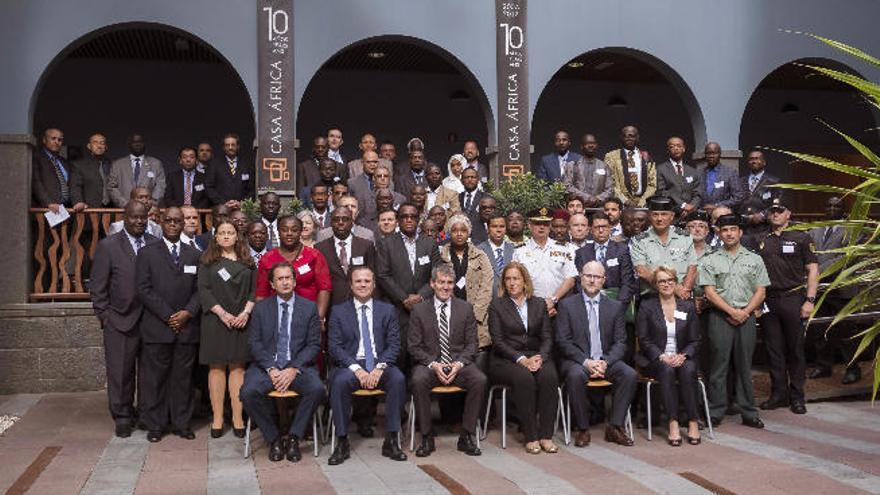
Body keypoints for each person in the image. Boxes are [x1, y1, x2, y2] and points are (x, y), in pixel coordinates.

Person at [241, 262, 325, 462]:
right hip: (267, 368)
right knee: (248, 392)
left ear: (295, 281)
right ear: (272, 283)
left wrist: (294, 368)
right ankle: (274, 439)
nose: (285, 282)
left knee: (317, 389)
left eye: (289, 278)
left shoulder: (309, 307)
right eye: (280, 279)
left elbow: (314, 345)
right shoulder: (261, 309)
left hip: (298, 367)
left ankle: (295, 437)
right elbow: (254, 343)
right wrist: (271, 368)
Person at [327, 266, 408, 465]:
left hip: (381, 363)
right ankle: (342, 440)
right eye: (358, 281)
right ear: (351, 285)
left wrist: (380, 367)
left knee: (398, 379)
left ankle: (391, 439)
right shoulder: (338, 311)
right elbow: (335, 347)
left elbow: (394, 344)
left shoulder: (387, 310)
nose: (362, 284)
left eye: (367, 281)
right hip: (351, 365)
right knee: (338, 383)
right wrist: (357, 369)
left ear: (373, 284)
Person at [90, 201, 156, 437]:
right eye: (134, 217)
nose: (139, 221)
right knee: (120, 372)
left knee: (149, 372)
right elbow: (98, 286)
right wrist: (104, 316)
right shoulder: (108, 246)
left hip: (150, 320)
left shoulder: (154, 243)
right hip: (119, 320)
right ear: (124, 217)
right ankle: (123, 415)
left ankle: (147, 414)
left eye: (143, 217)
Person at [135, 207, 201, 442]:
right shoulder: (147, 253)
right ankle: (156, 424)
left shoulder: (194, 254)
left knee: (183, 379)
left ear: (184, 223)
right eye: (169, 220)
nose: (173, 224)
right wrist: (168, 315)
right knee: (155, 378)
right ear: (161, 222)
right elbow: (143, 289)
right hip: (158, 326)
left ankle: (181, 423)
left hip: (186, 327)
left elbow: (200, 290)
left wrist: (186, 313)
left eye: (177, 221)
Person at [699, 214, 770, 428]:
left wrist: (745, 312)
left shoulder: (754, 258)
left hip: (746, 317)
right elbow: (709, 293)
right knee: (718, 367)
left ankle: (748, 412)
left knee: (744, 366)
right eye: (724, 230)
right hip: (720, 317)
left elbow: (761, 291)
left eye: (733, 229)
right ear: (719, 233)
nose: (729, 233)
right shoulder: (710, 259)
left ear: (740, 232)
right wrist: (731, 311)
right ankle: (716, 410)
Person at [407, 264, 486, 457]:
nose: (445, 287)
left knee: (479, 379)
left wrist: (459, 364)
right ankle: (427, 437)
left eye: (449, 283)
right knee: (418, 380)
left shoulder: (465, 308)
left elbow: (472, 345)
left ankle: (466, 436)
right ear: (432, 284)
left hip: (458, 364)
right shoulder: (419, 310)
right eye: (441, 282)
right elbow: (414, 347)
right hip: (430, 365)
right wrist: (434, 364)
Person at [556, 261, 637, 447]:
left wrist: (605, 362)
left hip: (605, 360)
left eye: (597, 277)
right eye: (588, 276)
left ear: (604, 280)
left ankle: (615, 427)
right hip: (578, 361)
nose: (592, 280)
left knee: (629, 374)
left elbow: (620, 342)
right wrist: (586, 362)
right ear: (581, 278)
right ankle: (583, 429)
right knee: (575, 375)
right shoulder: (567, 305)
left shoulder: (615, 307)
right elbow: (563, 342)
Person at [488, 262, 560, 453]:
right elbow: (498, 341)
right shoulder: (497, 305)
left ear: (524, 281)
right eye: (508, 279)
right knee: (524, 378)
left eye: (516, 278)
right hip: (507, 359)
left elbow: (547, 337)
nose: (512, 283)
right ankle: (531, 436)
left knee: (549, 376)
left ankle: (546, 436)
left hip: (537, 355)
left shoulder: (538, 304)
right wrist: (522, 359)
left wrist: (541, 357)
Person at [755, 198, 818, 414]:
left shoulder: (801, 237)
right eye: (772, 211)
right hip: (769, 299)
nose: (775, 215)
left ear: (788, 214)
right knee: (773, 350)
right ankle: (778, 394)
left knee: (795, 349)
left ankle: (797, 396)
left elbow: (812, 270)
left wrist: (810, 300)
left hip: (794, 298)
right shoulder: (761, 238)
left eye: (779, 211)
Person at [198, 220, 256, 438]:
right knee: (216, 368)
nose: (225, 236)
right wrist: (222, 313)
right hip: (215, 320)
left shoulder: (248, 261)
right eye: (221, 233)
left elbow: (253, 291)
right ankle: (218, 418)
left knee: (238, 368)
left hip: (241, 320)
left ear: (237, 236)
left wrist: (246, 313)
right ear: (215, 236)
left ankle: (238, 417)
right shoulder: (207, 261)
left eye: (230, 232)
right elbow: (203, 290)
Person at [636, 266, 701, 446]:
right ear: (656, 285)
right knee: (667, 370)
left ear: (676, 282)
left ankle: (693, 421)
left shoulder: (687, 306)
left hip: (682, 356)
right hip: (657, 360)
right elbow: (644, 338)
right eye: (661, 281)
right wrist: (661, 356)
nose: (666, 284)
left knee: (688, 370)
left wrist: (684, 355)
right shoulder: (647, 306)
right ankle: (673, 422)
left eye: (669, 280)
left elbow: (695, 340)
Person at [376, 203, 441, 358]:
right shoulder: (386, 243)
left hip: (425, 307)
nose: (409, 220)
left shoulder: (429, 243)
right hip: (398, 309)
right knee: (400, 354)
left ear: (419, 220)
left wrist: (420, 296)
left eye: (413, 217)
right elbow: (383, 275)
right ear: (398, 220)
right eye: (404, 217)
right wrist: (404, 299)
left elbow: (437, 273)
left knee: (424, 354)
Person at [809, 197, 861, 384]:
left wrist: (818, 271)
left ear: (843, 209)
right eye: (829, 205)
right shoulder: (815, 229)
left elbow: (847, 257)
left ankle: (853, 369)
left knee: (846, 330)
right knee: (820, 329)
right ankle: (823, 366)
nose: (832, 208)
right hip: (820, 289)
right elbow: (808, 253)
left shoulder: (853, 230)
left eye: (836, 206)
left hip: (842, 288)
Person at [256, 215, 332, 327]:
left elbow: (324, 288)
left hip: (308, 317)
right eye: (284, 230)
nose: (289, 233)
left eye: (294, 230)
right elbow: (261, 293)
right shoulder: (268, 258)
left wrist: (319, 318)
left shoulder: (314, 255)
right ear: (278, 231)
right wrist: (262, 321)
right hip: (276, 318)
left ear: (301, 231)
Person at [441, 214, 494, 362]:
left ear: (468, 232)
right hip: (449, 314)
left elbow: (487, 285)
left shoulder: (480, 256)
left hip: (476, 315)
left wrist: (475, 313)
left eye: (463, 230)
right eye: (455, 230)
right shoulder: (441, 255)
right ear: (449, 232)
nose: (459, 234)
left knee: (475, 355)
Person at [511, 208, 577, 317]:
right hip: (530, 308)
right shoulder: (519, 252)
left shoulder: (563, 249)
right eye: (537, 223)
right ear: (529, 225)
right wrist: (537, 305)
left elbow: (570, 278)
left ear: (550, 226)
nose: (542, 227)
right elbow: (516, 281)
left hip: (560, 307)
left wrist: (553, 300)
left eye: (545, 224)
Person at [630, 197, 697, 297]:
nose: (659, 219)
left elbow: (692, 268)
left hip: (682, 295)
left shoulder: (685, 238)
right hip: (653, 297)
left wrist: (685, 291)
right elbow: (642, 271)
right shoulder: (639, 241)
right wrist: (674, 289)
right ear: (649, 216)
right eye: (655, 214)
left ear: (672, 216)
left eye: (664, 214)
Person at [315, 206, 377, 306]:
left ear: (352, 222)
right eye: (336, 219)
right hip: (331, 305)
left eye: (345, 219)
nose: (340, 222)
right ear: (330, 222)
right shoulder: (320, 248)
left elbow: (373, 277)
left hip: (361, 303)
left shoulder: (366, 245)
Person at [574, 212, 635, 304]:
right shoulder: (581, 253)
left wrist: (618, 307)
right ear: (591, 230)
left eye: (604, 227)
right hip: (588, 303)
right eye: (597, 227)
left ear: (610, 228)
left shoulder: (622, 250)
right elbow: (579, 283)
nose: (601, 230)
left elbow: (627, 281)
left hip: (617, 303)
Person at [107, 133, 165, 208]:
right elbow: (112, 187)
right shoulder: (117, 164)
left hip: (149, 210)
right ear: (129, 145)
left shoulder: (156, 163)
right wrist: (125, 204)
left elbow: (160, 185)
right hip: (124, 209)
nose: (137, 144)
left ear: (145, 144)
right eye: (134, 142)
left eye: (140, 142)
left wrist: (151, 203)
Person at [605, 126, 656, 207]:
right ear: (621, 138)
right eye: (625, 136)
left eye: (631, 136)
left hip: (643, 205)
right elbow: (610, 183)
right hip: (621, 204)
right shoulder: (611, 157)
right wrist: (625, 201)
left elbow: (652, 184)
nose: (628, 138)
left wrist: (643, 202)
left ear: (637, 138)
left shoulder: (646, 156)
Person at [656, 137, 702, 220]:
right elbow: (662, 192)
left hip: (692, 214)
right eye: (672, 146)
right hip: (672, 214)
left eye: (678, 146)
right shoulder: (661, 169)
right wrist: (683, 205)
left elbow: (698, 193)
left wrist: (692, 207)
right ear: (668, 150)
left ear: (684, 149)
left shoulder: (692, 171)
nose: (676, 148)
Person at [205, 132, 254, 209]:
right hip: (221, 209)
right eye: (227, 145)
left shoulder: (247, 164)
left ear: (238, 146)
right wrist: (223, 203)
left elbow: (251, 188)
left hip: (242, 209)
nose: (230, 147)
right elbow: (209, 187)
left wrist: (242, 203)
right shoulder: (214, 164)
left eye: (233, 145)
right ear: (224, 147)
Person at [739, 149, 782, 235]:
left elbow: (778, 204)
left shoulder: (773, 181)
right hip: (743, 228)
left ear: (764, 162)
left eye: (757, 158)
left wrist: (762, 215)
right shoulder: (740, 181)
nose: (754, 161)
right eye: (751, 159)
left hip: (764, 228)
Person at [565, 134, 613, 208]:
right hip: (578, 208)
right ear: (582, 147)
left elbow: (610, 189)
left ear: (597, 146)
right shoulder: (572, 165)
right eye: (587, 143)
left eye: (593, 143)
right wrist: (587, 198)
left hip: (599, 208)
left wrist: (598, 199)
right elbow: (567, 186)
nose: (591, 145)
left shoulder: (604, 166)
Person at [698, 142, 743, 216]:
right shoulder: (698, 173)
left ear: (720, 154)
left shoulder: (730, 172)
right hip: (702, 216)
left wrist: (717, 205)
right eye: (708, 153)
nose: (711, 156)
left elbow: (738, 197)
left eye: (714, 153)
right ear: (705, 155)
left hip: (722, 216)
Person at [477, 212, 515, 297]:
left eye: (502, 226)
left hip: (510, 300)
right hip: (487, 301)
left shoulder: (514, 250)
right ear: (488, 228)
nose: (498, 230)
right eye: (494, 226)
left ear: (506, 228)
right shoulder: (479, 251)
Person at [70, 133, 110, 209]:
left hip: (112, 209)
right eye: (95, 142)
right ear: (89, 146)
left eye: (102, 143)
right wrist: (78, 201)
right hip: (88, 209)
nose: (99, 146)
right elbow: (75, 186)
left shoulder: (113, 165)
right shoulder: (79, 165)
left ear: (106, 147)